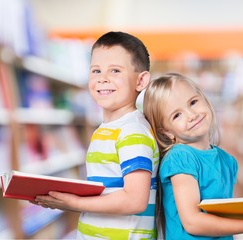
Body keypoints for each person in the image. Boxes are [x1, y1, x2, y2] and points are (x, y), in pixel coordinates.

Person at [34, 31, 159, 240]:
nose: (103, 79)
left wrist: (73, 203)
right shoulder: (106, 129)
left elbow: (135, 200)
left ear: (140, 81)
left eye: (115, 70)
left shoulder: (133, 132)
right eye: (96, 70)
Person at [143, 73, 243, 240]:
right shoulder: (180, 158)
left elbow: (221, 213)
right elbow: (192, 222)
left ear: (205, 99)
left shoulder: (227, 160)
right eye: (177, 115)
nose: (192, 114)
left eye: (193, 102)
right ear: (167, 132)